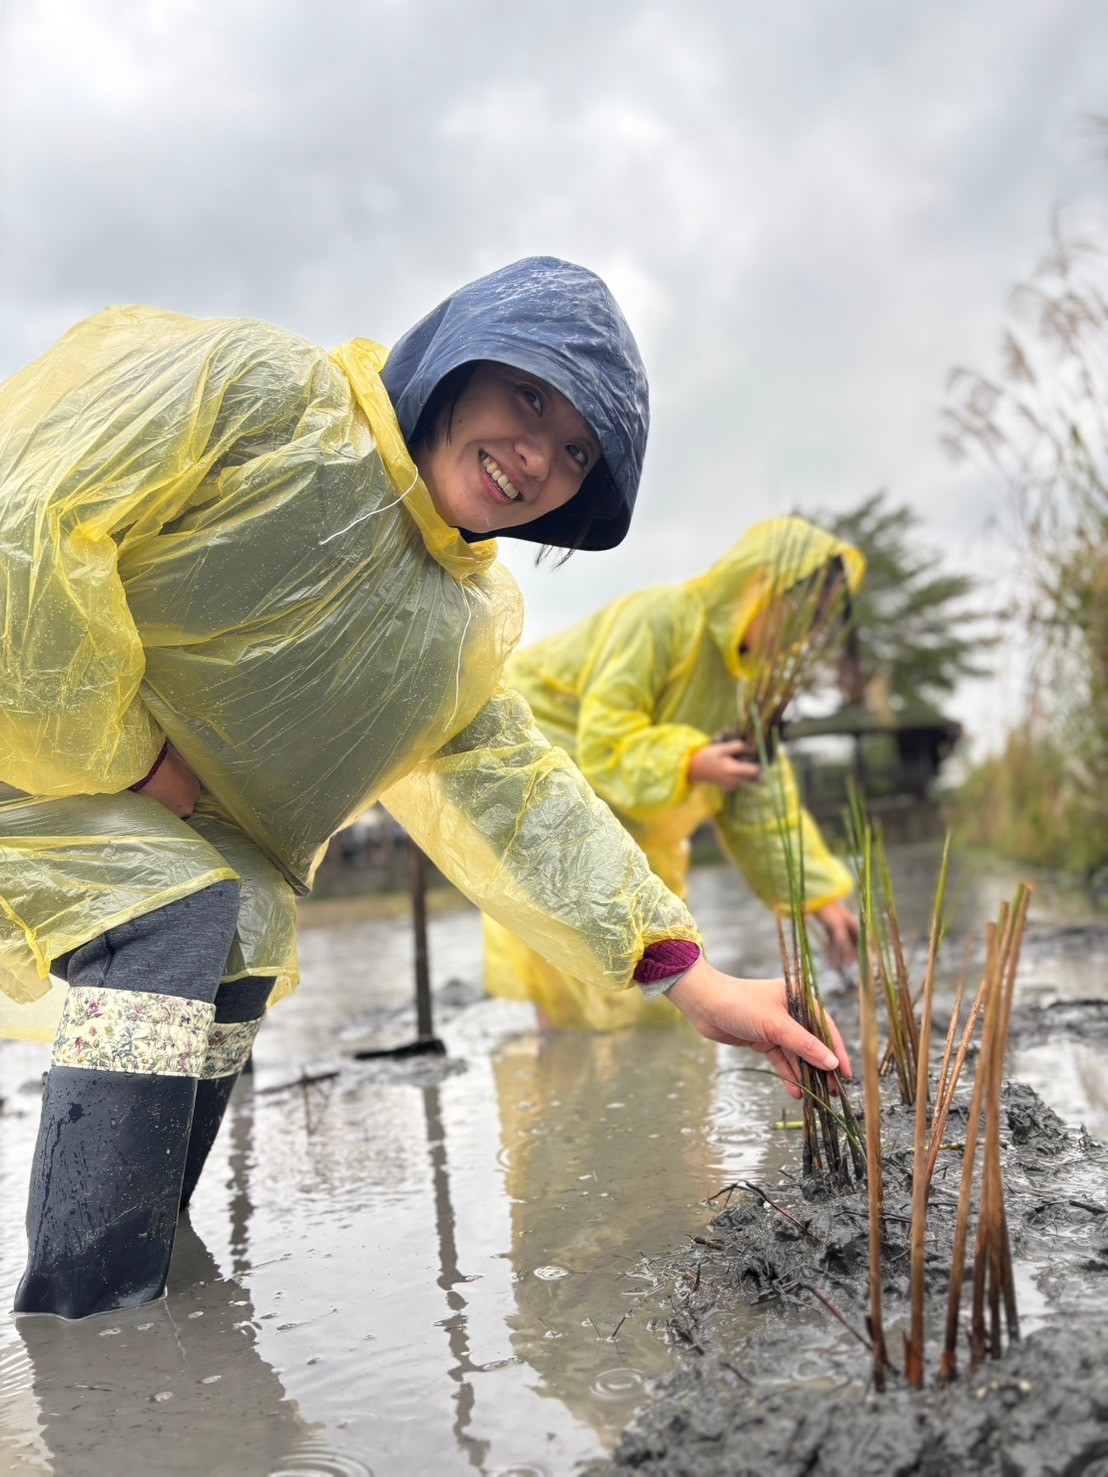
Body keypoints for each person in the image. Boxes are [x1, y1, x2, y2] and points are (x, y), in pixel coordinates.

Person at [0, 259, 849, 1321]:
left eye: (578, 448)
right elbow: (25, 523)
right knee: (179, 905)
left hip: (163, 841)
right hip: (30, 763)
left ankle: (142, 1289)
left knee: (241, 919)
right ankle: (87, 1321)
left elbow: (527, 800)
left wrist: (691, 977)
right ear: (457, 359)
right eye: (529, 394)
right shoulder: (265, 399)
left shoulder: (451, 629)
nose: (538, 454)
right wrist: (127, 758)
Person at [484, 516, 864, 1030]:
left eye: (819, 623)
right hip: (541, 780)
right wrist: (690, 760)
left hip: (641, 828)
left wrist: (818, 898)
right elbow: (606, 742)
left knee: (658, 990)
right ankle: (559, 1055)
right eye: (803, 614)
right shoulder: (661, 619)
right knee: (568, 981)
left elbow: (765, 808)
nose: (806, 635)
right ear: (759, 587)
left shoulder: (756, 688)